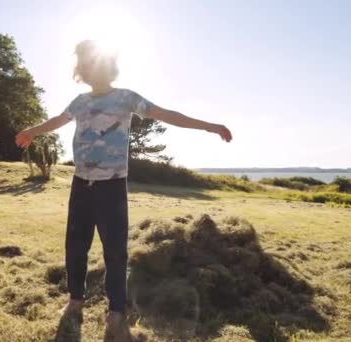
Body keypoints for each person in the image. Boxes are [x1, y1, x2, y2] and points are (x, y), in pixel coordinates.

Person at [15, 39, 232, 341]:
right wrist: (31, 132)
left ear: (110, 69)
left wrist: (208, 126)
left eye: (98, 64)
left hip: (112, 188)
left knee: (115, 252)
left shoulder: (127, 99)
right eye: (87, 65)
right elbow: (57, 120)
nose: (93, 70)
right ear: (83, 71)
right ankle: (75, 300)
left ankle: (116, 311)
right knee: (75, 247)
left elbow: (167, 114)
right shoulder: (79, 102)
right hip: (81, 185)